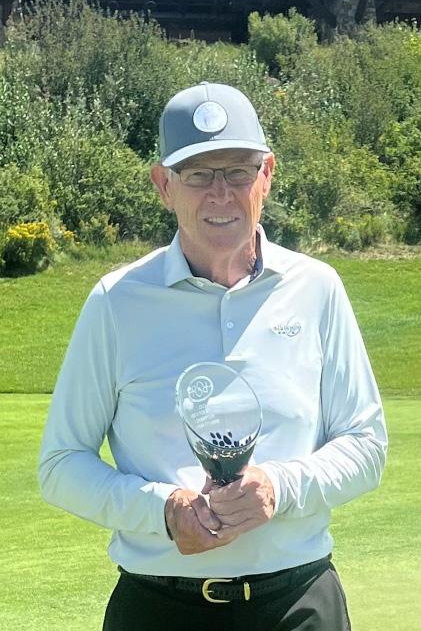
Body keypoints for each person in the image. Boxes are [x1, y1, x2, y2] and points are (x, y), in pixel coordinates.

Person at [39, 82, 388, 631]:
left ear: (266, 175)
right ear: (164, 185)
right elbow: (61, 465)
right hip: (158, 609)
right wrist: (163, 509)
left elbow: (366, 445)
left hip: (299, 603)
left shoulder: (317, 288)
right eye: (198, 174)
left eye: (238, 172)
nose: (221, 194)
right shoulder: (117, 301)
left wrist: (279, 488)